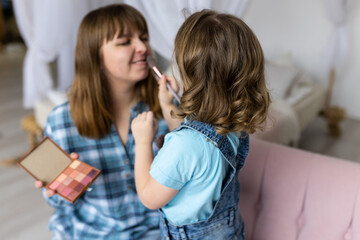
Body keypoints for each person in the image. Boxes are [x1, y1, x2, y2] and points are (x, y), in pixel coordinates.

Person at [34, 4, 178, 239]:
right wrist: (60, 189)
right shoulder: (61, 121)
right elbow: (59, 203)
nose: (142, 47)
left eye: (143, 38)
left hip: (158, 233)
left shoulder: (166, 109)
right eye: (124, 42)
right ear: (95, 57)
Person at [131, 9, 270, 240]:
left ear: (191, 75)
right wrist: (168, 105)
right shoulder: (232, 125)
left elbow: (148, 196)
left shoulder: (185, 145)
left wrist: (143, 141)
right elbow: (190, 159)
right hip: (229, 230)